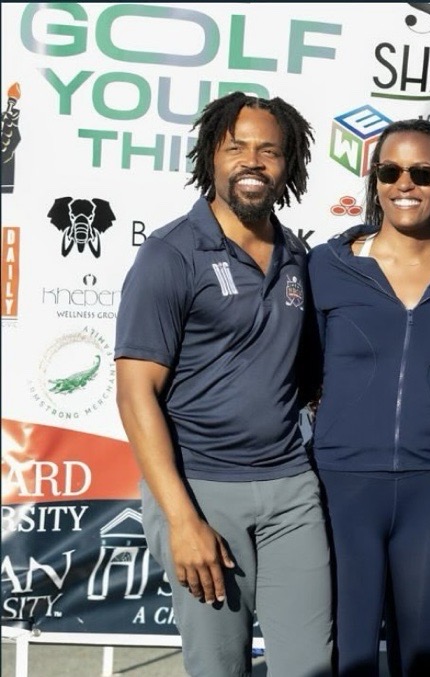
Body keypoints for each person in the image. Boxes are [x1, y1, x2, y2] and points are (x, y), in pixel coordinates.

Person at [114, 92, 331, 676]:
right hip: (202, 493)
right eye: (236, 148)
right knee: (218, 667)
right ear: (211, 156)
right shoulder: (170, 254)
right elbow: (136, 395)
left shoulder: (297, 255)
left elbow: (306, 372)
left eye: (269, 150)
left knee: (309, 666)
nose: (252, 161)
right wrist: (183, 521)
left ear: (289, 165)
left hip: (291, 489)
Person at [307, 118, 430, 676]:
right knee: (350, 657)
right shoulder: (329, 266)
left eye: (421, 173)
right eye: (390, 171)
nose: (404, 184)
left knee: (426, 659)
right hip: (343, 486)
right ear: (375, 180)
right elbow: (304, 364)